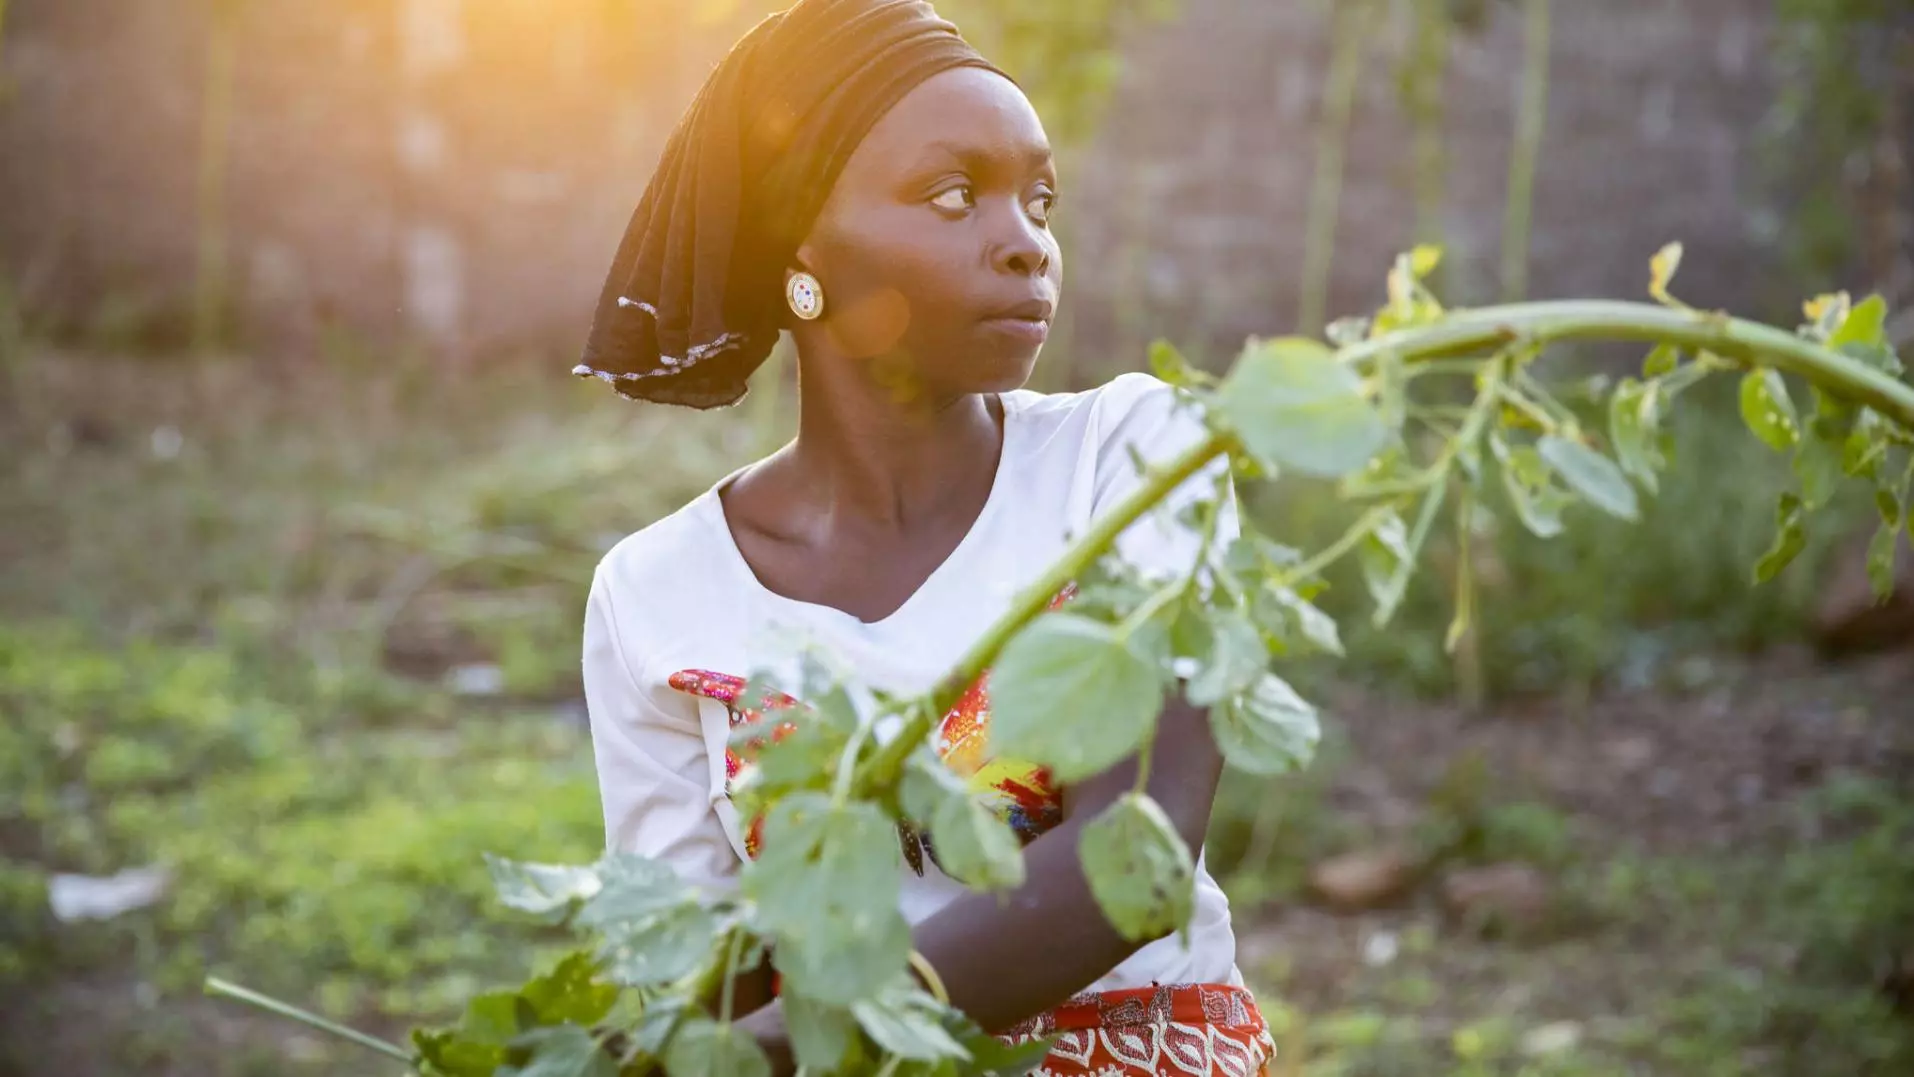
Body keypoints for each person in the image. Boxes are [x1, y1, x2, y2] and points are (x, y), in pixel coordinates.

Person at [572, 2, 1273, 1074]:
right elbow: (690, 966)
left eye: (1039, 199)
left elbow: (1136, 857)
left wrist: (775, 1053)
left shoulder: (1132, 459)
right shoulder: (658, 594)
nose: (1026, 244)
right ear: (801, 240)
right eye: (955, 196)